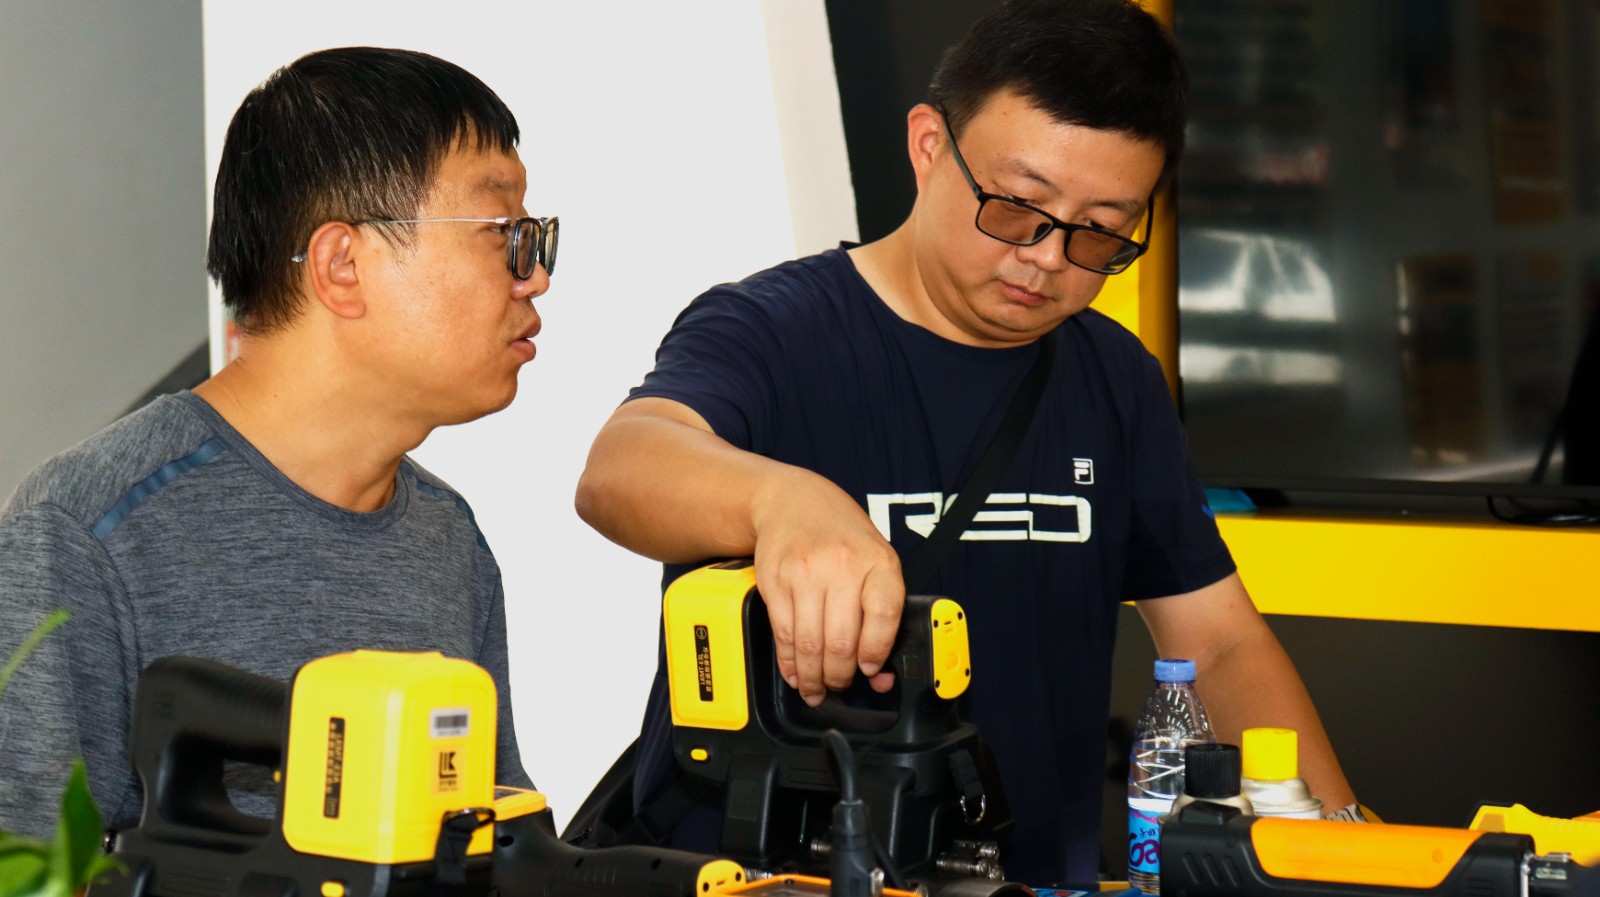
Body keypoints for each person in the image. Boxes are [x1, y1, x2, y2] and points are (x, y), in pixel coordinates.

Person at [575, 0, 1357, 884]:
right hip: (764, 873)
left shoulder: (1114, 377)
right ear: (927, 146)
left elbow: (1218, 644)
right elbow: (621, 467)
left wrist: (1343, 841)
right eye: (1019, 208)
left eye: (1101, 231)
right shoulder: (773, 329)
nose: (1049, 257)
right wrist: (781, 500)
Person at [0, 47, 553, 837]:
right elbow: (33, 869)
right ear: (342, 265)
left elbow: (488, 838)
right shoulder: (85, 532)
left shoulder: (447, 538)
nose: (534, 276)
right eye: (502, 232)